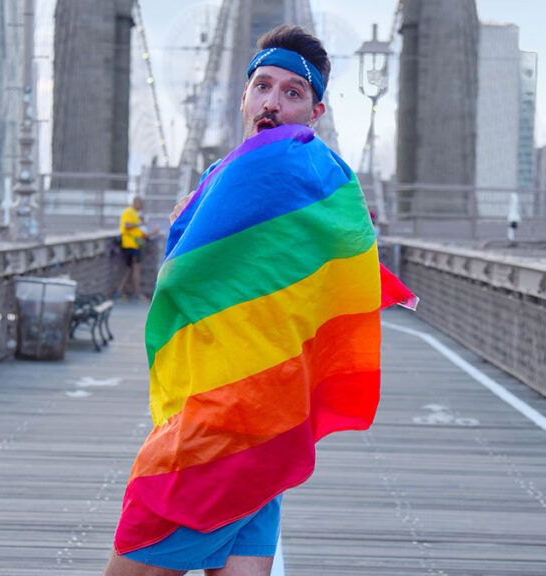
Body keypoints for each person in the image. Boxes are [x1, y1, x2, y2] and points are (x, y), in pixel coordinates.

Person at [103, 25, 414, 576]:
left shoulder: (299, 169)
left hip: (216, 426)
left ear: (315, 111)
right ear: (244, 96)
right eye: (263, 86)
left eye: (293, 92)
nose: (273, 102)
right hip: (265, 418)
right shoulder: (224, 176)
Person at [116, 195, 158, 302]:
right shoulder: (129, 212)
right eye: (141, 204)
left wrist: (152, 232)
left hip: (134, 244)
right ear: (136, 203)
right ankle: (136, 294)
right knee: (135, 269)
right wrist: (140, 223)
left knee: (130, 269)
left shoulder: (134, 213)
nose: (142, 206)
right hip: (130, 245)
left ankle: (120, 292)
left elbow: (138, 232)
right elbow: (126, 226)